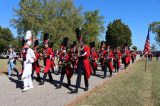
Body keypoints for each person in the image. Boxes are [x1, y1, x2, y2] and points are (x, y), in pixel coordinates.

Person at [72, 28, 92, 93]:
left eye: (80, 42)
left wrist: (81, 54)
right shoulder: (78, 48)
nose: (79, 43)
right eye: (79, 42)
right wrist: (75, 57)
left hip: (85, 62)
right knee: (79, 76)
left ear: (83, 42)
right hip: (79, 63)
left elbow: (87, 54)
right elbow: (75, 54)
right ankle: (76, 88)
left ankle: (86, 86)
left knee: (85, 75)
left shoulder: (86, 47)